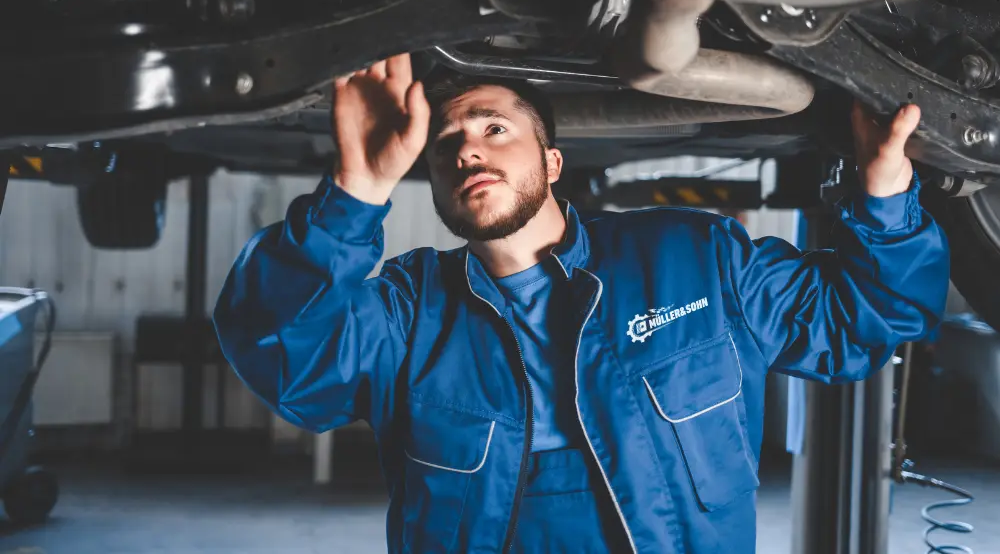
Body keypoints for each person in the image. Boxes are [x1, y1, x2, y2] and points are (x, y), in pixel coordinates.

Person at [213, 53, 949, 554]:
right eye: (447, 144)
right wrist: (356, 192)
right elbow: (283, 355)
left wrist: (885, 190)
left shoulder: (696, 260)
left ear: (553, 162)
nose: (468, 151)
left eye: (495, 128)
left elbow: (872, 317)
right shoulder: (409, 312)